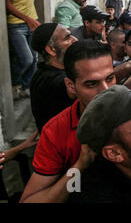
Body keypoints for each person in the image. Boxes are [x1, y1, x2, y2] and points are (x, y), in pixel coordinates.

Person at [20, 40, 116, 203]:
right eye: (91, 84)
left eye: (111, 78)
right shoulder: (56, 132)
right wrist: (80, 166)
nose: (106, 91)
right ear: (71, 86)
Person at [5, 0, 41, 99]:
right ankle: (13, 85)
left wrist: (33, 19)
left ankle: (26, 87)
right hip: (17, 25)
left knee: (34, 59)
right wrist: (27, 19)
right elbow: (6, 4)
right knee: (25, 59)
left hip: (30, 22)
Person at [30, 23, 78, 132]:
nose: (75, 40)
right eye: (67, 37)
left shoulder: (45, 72)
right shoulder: (55, 81)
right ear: (51, 50)